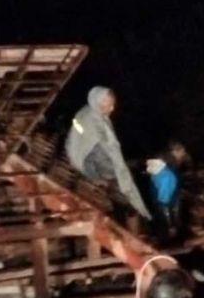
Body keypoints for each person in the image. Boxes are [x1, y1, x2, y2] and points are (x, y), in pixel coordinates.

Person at [64, 86, 150, 218]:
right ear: (99, 102)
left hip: (76, 153)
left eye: (113, 105)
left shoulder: (86, 111)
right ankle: (130, 211)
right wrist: (100, 177)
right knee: (124, 182)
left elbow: (77, 133)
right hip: (85, 163)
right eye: (109, 105)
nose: (112, 109)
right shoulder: (96, 128)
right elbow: (96, 154)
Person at [145, 140, 186, 237]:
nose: (184, 154)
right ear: (174, 152)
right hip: (166, 214)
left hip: (166, 208)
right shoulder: (167, 174)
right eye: (182, 151)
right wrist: (170, 225)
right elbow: (164, 201)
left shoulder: (166, 168)